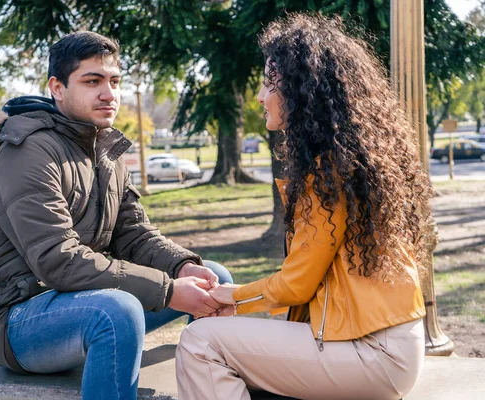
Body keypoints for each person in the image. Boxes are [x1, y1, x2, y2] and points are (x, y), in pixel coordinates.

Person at [176, 14, 430, 400]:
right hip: (387, 347)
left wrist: (230, 297)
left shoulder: (326, 174)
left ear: (301, 91)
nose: (260, 97)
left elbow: (296, 285)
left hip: (371, 354)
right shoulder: (353, 164)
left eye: (268, 84)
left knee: (199, 341)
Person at [0, 31, 232, 400]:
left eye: (114, 81)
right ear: (57, 88)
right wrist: (168, 290)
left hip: (81, 297)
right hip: (17, 319)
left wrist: (181, 267)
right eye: (92, 81)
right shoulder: (27, 150)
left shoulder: (105, 149)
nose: (108, 94)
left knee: (212, 277)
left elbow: (134, 235)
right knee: (116, 311)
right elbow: (56, 260)